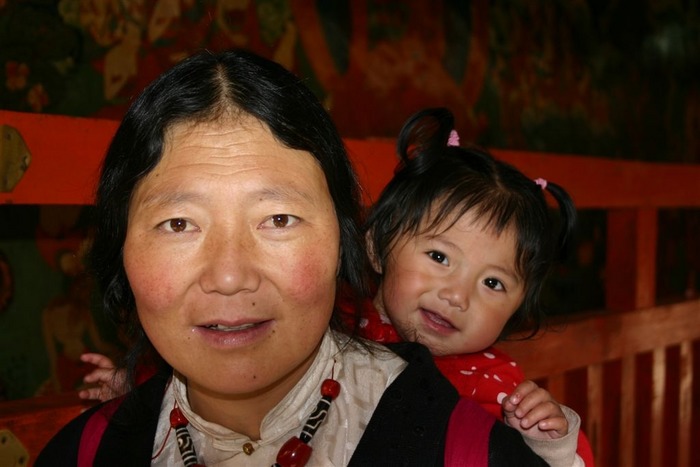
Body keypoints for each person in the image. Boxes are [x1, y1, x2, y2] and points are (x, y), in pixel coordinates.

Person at [36, 50, 549, 466]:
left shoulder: (469, 452)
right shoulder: (82, 454)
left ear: (345, 240)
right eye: (179, 224)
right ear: (120, 249)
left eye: (278, 219)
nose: (231, 276)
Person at [355, 107, 594, 466]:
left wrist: (550, 449)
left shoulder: (500, 394)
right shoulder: (325, 329)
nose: (457, 296)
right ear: (377, 247)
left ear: (518, 309)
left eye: (493, 282)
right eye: (439, 257)